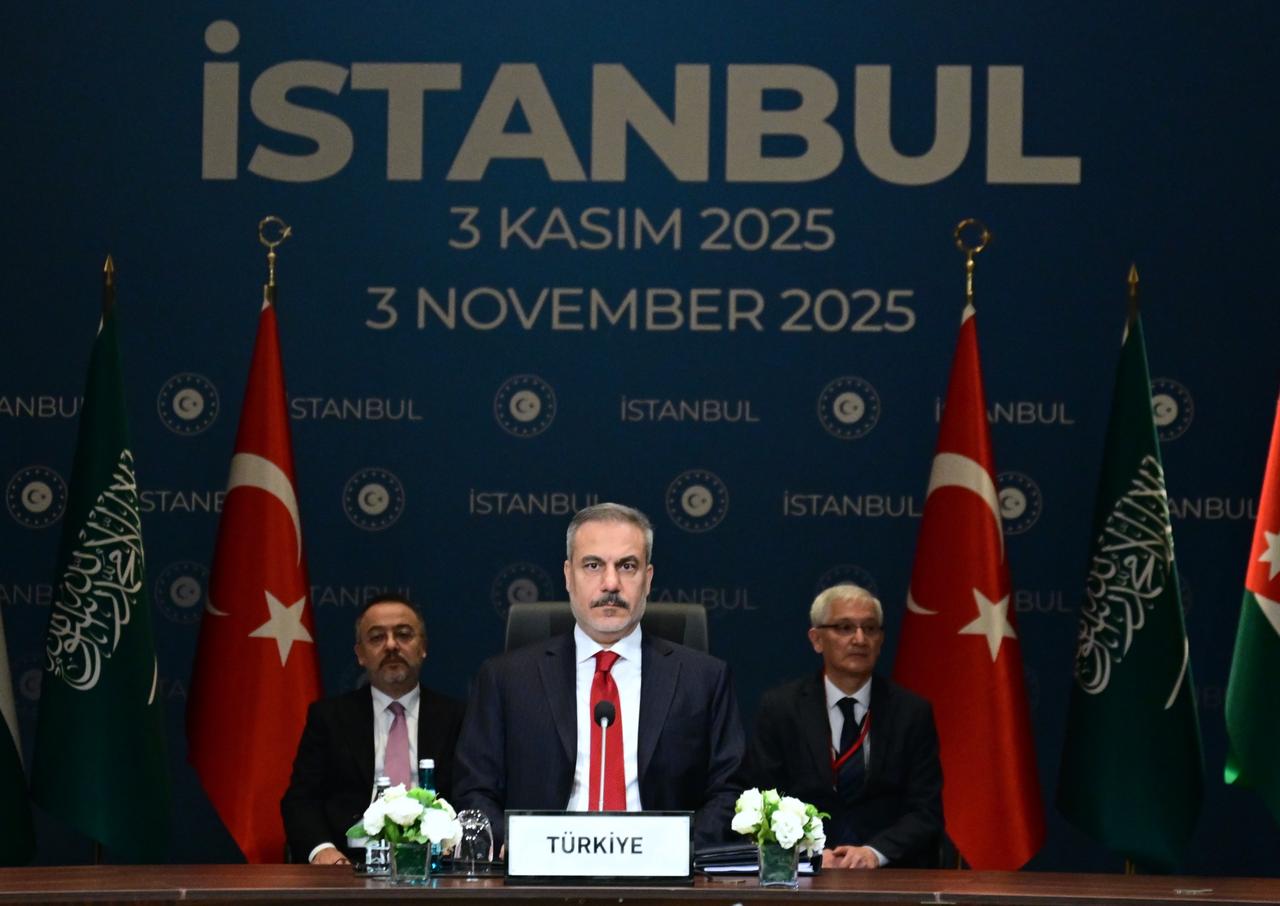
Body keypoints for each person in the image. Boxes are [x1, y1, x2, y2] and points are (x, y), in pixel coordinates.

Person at [452, 502, 744, 848]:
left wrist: (676, 852)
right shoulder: (506, 679)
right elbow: (475, 791)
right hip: (542, 873)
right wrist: (520, 847)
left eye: (627, 566)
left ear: (648, 578)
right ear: (567, 575)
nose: (611, 584)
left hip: (663, 874)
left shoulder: (704, 680)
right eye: (593, 565)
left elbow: (729, 792)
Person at [741, 584, 944, 868]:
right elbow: (762, 802)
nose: (860, 639)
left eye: (870, 629)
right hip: (805, 872)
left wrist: (874, 852)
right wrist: (807, 851)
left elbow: (926, 811)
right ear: (817, 639)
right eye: (845, 628)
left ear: (881, 640)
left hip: (890, 872)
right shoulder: (781, 709)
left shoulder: (911, 713)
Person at [281, 594, 465, 864]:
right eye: (377, 637)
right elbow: (301, 800)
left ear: (423, 647)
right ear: (360, 654)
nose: (391, 645)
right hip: (347, 865)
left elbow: (472, 795)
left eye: (403, 635)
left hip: (435, 864)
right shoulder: (330, 718)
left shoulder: (457, 717)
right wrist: (322, 851)